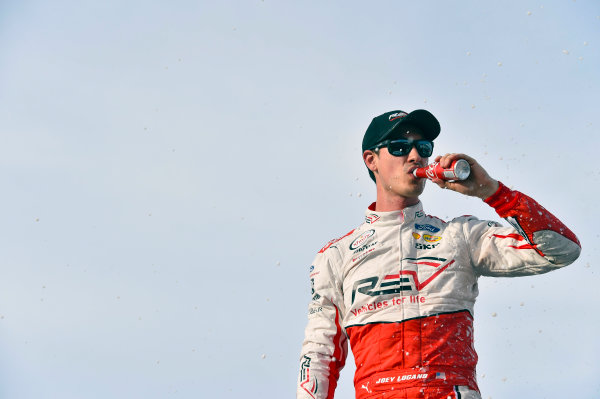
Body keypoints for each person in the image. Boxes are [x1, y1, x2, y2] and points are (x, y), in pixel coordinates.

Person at [296, 109, 581, 399]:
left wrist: (491, 191)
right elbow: (319, 356)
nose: (415, 157)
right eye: (399, 147)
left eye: (423, 148)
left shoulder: (460, 236)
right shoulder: (336, 256)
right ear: (371, 160)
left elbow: (562, 250)